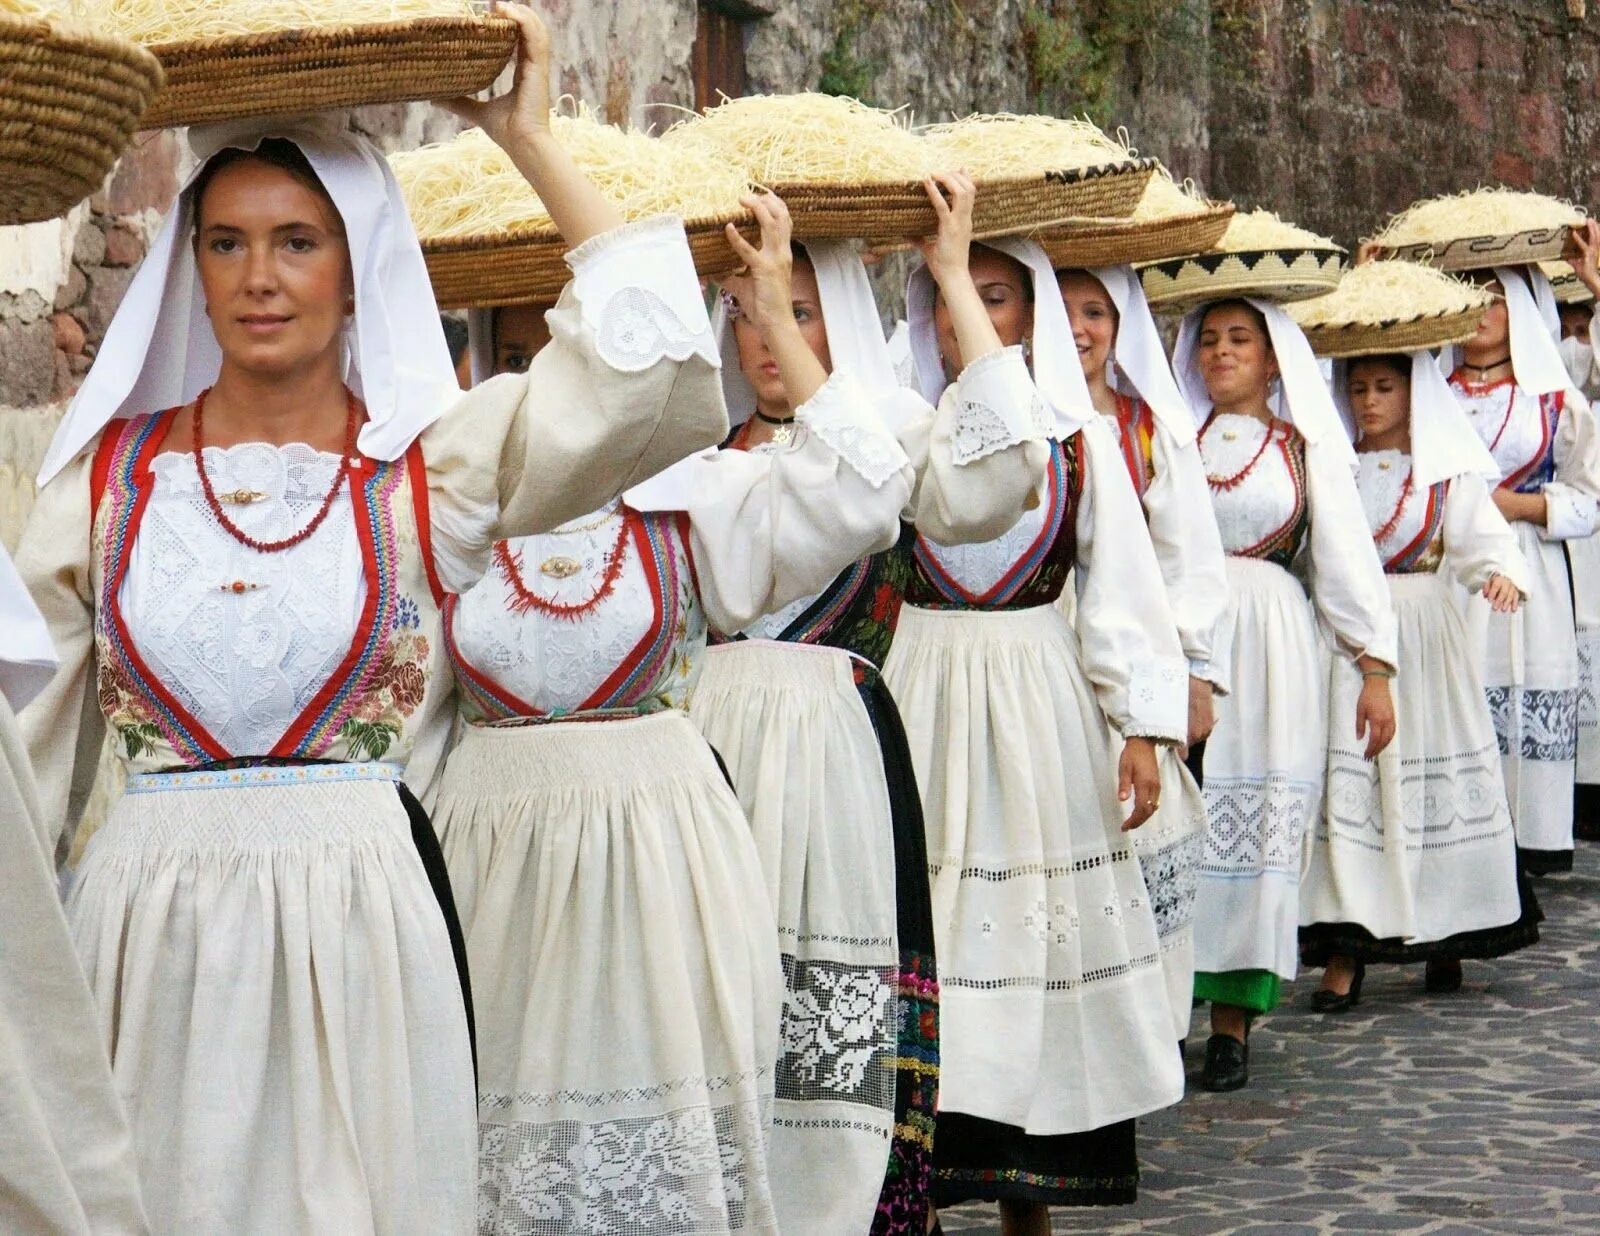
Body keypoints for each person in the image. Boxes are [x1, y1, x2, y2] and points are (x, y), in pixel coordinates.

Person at [15, 7, 729, 1230]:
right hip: (147, 942)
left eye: (299, 241)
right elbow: (23, 744)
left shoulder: (431, 470)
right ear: (190, 264)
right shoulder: (103, 483)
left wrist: (529, 141)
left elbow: (648, 384)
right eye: (227, 242)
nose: (259, 277)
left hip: (362, 932)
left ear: (360, 267)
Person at [434, 191, 919, 1234]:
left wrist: (778, 308)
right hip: (491, 864)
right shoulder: (443, 508)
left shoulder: (692, 497)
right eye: (520, 346)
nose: (549, 387)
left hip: (662, 865)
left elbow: (862, 495)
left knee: (662, 1132)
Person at [686, 174, 1046, 1236]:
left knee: (832, 1009)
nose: (767, 338)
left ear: (839, 315)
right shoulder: (687, 450)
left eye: (796, 310)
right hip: (699, 762)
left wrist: (946, 269)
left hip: (835, 753)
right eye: (746, 311)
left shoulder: (885, 432)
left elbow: (1002, 477)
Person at [894, 234, 1189, 1234]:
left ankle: (1034, 1203)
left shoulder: (1073, 440)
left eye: (987, 297)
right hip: (919, 693)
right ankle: (919, 1181)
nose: (960, 318)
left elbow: (1120, 587)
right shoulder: (901, 433)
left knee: (1035, 932)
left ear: (1030, 317)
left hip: (1037, 700)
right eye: (943, 298)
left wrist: (1140, 727)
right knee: (923, 923)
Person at [1171, 297, 1396, 1092]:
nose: (1221, 353)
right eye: (1208, 341)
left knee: (1251, 829)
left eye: (1240, 340)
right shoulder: (1168, 442)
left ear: (1274, 361)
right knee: (1169, 822)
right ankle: (1165, 1010)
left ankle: (1231, 1022)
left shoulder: (1303, 453)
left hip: (1269, 647)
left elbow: (1341, 561)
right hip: (1179, 644)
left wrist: (1373, 667)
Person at [1300, 348, 1541, 1001]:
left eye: (1384, 387)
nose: (1369, 401)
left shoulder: (1446, 473)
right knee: (1357, 782)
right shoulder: (1335, 471)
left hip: (1427, 640)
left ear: (1415, 394)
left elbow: (1483, 539)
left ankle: (1447, 930)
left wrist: (1498, 574)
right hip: (1355, 639)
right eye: (1357, 388)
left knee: (1431, 776)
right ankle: (1347, 951)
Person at [1056, 262, 1228, 1043]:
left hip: (1138, 644)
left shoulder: (1149, 428)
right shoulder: (1016, 420)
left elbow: (1185, 563)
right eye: (1061, 312)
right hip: (1042, 652)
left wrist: (1189, 672)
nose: (1080, 329)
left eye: (1096, 311)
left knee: (1138, 821)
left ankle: (1145, 1025)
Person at [1444, 259, 1600, 874]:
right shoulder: (1431, 392)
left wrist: (1519, 505)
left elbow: (1590, 498)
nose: (1480, 312)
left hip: (1529, 566)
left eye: (1495, 300)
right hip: (1453, 573)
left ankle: (1517, 849)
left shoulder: (1555, 399)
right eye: (1467, 299)